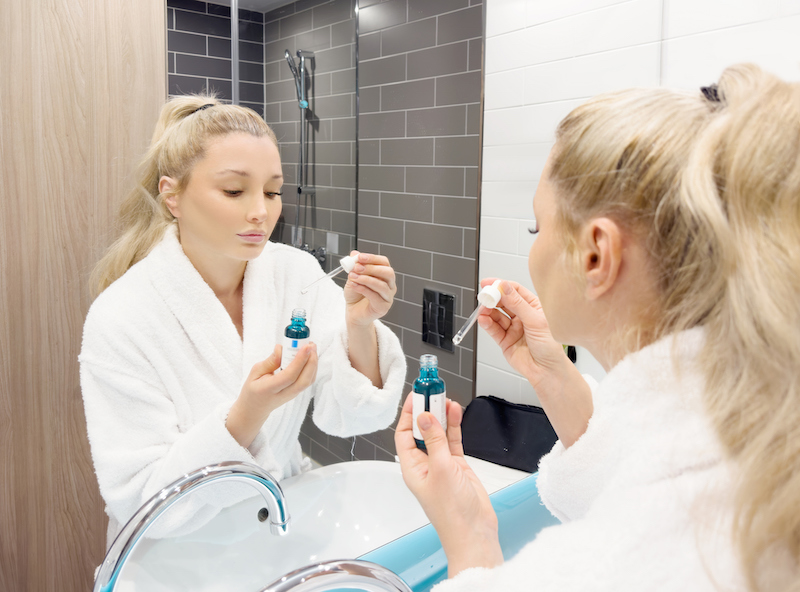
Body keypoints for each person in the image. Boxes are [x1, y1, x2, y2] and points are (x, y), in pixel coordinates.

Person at [396, 64, 800, 591]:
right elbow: (635, 474)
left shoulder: (644, 557)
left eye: (537, 226)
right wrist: (553, 377)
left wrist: (469, 539)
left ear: (595, 255)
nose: (532, 247)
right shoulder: (753, 429)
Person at [80, 96, 407, 545]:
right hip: (178, 559)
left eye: (272, 191)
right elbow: (141, 501)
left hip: (278, 530)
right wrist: (248, 414)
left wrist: (360, 325)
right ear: (171, 194)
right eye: (235, 191)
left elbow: (350, 415)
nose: (262, 211)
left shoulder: (295, 273)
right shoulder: (122, 316)